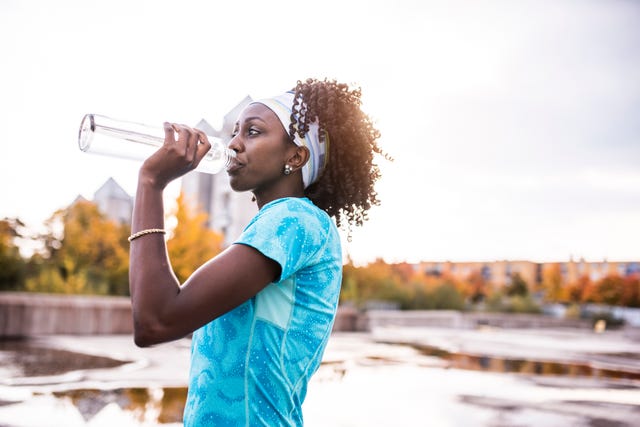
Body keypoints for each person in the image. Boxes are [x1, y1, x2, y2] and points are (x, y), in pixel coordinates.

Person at [128, 77, 385, 426]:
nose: (233, 144)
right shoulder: (282, 226)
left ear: (295, 155)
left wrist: (151, 184)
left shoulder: (294, 220)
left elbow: (156, 321)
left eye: (252, 131)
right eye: (235, 131)